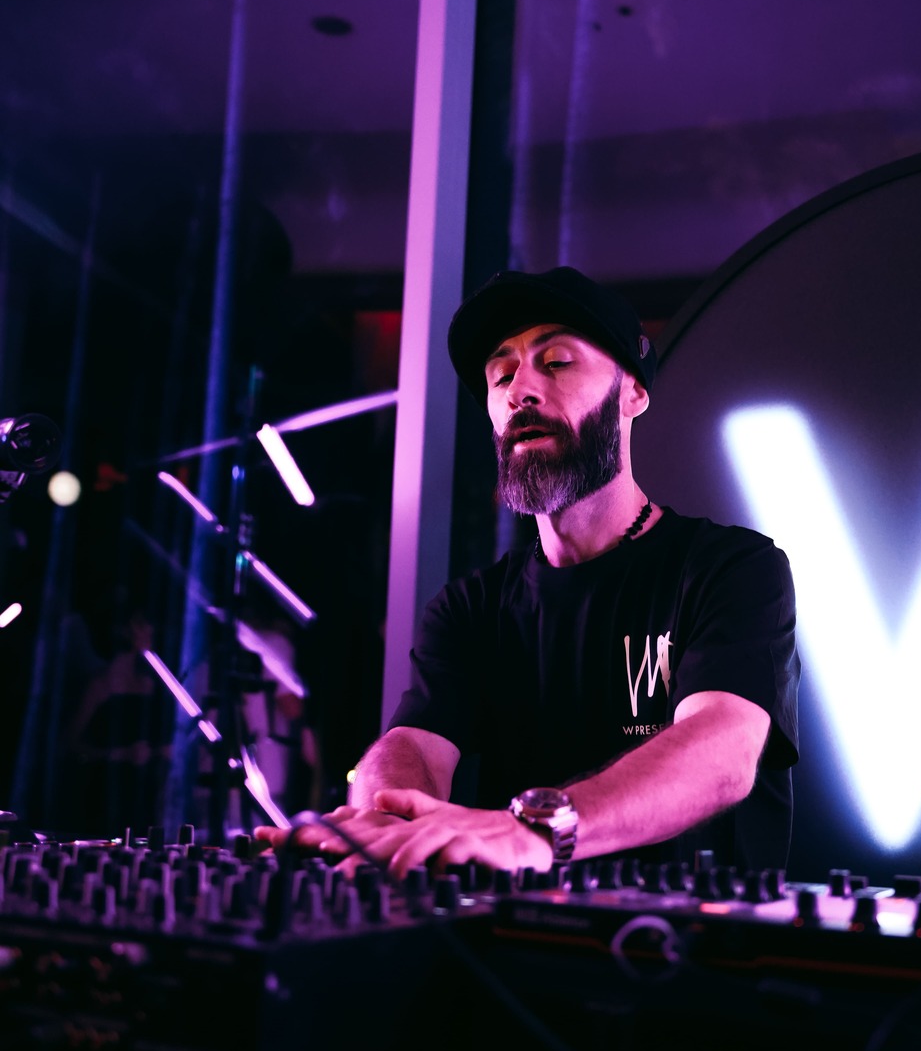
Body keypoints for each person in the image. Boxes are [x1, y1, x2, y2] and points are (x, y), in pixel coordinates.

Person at [257, 267, 798, 878]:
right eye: (501, 374)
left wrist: (538, 832)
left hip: (694, 956)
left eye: (558, 361)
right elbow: (412, 747)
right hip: (512, 957)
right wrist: (384, 814)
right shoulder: (470, 610)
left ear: (632, 394)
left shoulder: (733, 570)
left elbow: (723, 752)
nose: (521, 391)